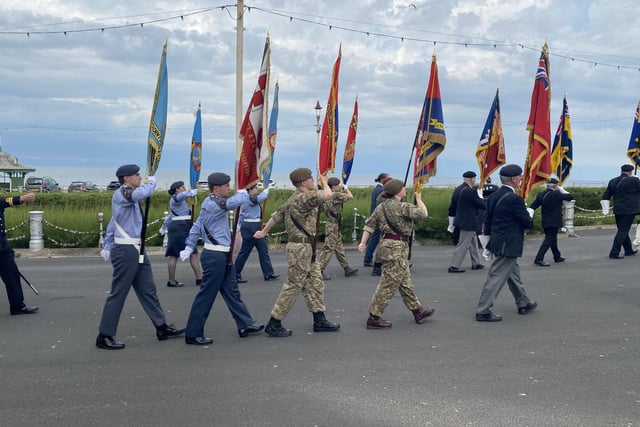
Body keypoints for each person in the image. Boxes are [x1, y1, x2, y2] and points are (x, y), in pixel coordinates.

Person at [96, 164, 185, 350]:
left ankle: (161, 326)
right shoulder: (123, 193)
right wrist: (151, 184)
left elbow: (115, 221)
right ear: (126, 178)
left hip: (137, 248)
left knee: (148, 289)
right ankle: (104, 335)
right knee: (119, 292)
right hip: (126, 250)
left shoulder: (129, 198)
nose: (139, 177)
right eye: (136, 175)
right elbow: (138, 194)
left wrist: (108, 241)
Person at [179, 172, 264, 345]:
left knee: (232, 292)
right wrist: (242, 191)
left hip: (223, 254)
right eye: (226, 186)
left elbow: (197, 226)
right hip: (214, 256)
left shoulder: (210, 203)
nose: (229, 188)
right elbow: (233, 202)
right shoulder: (213, 203)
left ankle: (245, 324)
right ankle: (193, 332)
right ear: (216, 188)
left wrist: (189, 245)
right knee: (207, 295)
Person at [253, 168, 340, 337]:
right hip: (301, 248)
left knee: (315, 283)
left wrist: (264, 232)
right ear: (302, 183)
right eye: (309, 178)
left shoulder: (293, 198)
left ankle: (319, 319)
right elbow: (328, 195)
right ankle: (274, 322)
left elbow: (277, 215)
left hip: (307, 248)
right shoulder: (303, 197)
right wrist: (324, 180)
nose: (312, 180)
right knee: (293, 286)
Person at [357, 179, 434, 329]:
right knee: (388, 283)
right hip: (397, 247)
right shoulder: (403, 207)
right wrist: (419, 199)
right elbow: (423, 213)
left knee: (404, 281)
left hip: (386, 244)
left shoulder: (381, 207)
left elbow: (369, 225)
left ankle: (417, 310)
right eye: (403, 188)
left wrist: (363, 242)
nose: (405, 190)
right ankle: (374, 316)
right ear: (399, 191)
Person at [475, 164, 537, 322]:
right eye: (521, 177)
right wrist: (529, 212)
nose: (522, 179)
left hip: (498, 241)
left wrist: (487, 242)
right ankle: (483, 310)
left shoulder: (495, 195)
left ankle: (523, 302)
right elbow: (527, 223)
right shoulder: (514, 199)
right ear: (514, 179)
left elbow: (487, 220)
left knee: (513, 274)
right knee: (496, 276)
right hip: (508, 243)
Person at [0, 192, 38, 315]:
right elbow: (4, 202)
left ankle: (17, 306)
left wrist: (21, 200)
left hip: (2, 244)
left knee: (12, 274)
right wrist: (21, 198)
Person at [234, 183, 279, 283]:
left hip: (255, 226)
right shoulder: (248, 198)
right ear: (250, 190)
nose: (256, 189)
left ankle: (268, 273)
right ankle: (235, 274)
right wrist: (266, 191)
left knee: (263, 250)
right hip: (250, 227)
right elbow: (258, 199)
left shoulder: (250, 198)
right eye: (255, 188)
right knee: (245, 252)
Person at [160, 181, 202, 287]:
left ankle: (198, 278)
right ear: (177, 190)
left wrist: (163, 227)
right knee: (180, 254)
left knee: (191, 253)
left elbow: (171, 216)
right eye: (182, 187)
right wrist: (191, 192)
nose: (184, 188)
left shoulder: (180, 202)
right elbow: (181, 195)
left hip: (181, 226)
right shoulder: (176, 198)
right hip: (181, 227)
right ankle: (174, 280)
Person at [318, 177, 358, 280]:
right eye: (337, 185)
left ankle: (346, 268)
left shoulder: (324, 195)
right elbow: (350, 196)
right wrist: (346, 189)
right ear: (334, 186)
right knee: (329, 248)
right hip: (334, 225)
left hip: (331, 223)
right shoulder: (336, 195)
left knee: (339, 248)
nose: (338, 186)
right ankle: (319, 270)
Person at [448, 171, 486, 273]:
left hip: (463, 220)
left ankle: (476, 262)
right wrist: (483, 198)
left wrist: (451, 221)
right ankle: (454, 266)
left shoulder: (458, 189)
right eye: (475, 178)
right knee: (463, 243)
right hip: (468, 221)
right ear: (471, 179)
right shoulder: (469, 191)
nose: (475, 181)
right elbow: (480, 203)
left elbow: (452, 207)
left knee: (473, 241)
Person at [530, 177, 574, 266]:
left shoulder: (541, 194)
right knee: (549, 239)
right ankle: (539, 258)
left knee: (553, 239)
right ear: (554, 186)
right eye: (557, 185)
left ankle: (557, 256)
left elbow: (533, 206)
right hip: (554, 221)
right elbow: (570, 197)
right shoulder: (557, 194)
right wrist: (562, 190)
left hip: (545, 220)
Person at [601, 164, 640, 259]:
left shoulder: (613, 181)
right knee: (623, 231)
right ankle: (614, 252)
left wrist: (605, 210)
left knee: (622, 230)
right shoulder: (634, 180)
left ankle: (628, 250)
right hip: (629, 210)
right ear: (630, 172)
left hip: (618, 210)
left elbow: (606, 196)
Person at [363, 173, 391, 275]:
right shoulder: (381, 191)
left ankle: (368, 258)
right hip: (379, 217)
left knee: (375, 238)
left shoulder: (376, 189)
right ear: (383, 179)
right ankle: (368, 258)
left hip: (375, 216)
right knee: (375, 239)